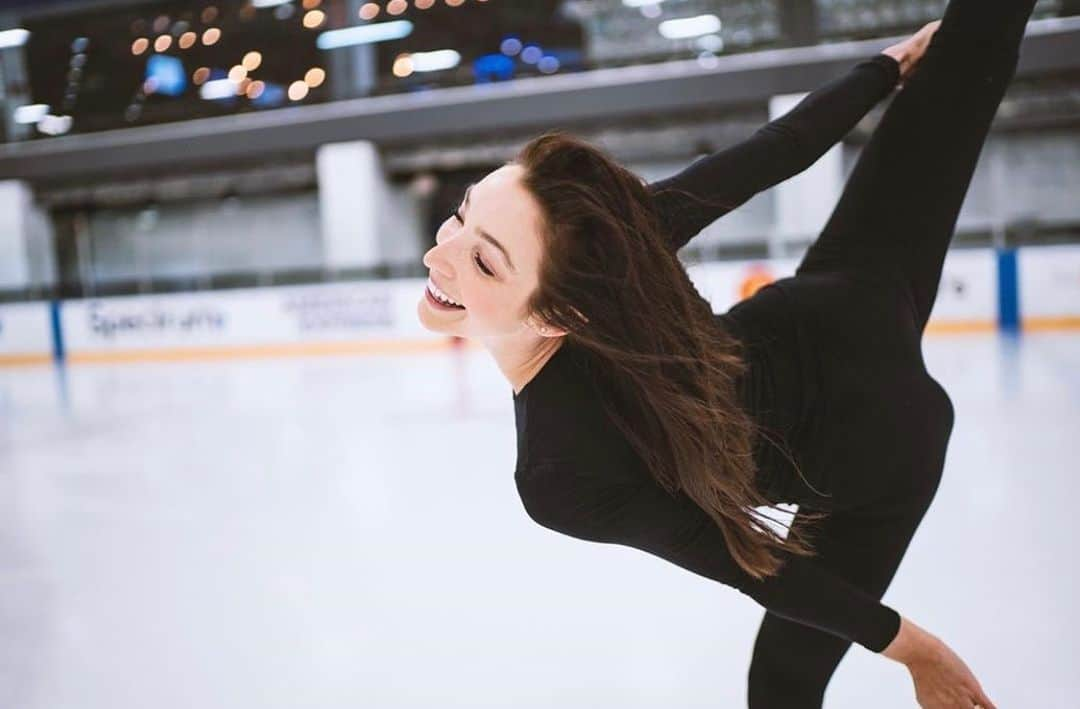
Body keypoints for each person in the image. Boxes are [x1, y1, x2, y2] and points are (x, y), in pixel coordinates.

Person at [418, 0, 1037, 706]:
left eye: (479, 247)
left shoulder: (559, 471)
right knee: (955, 83)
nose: (437, 253)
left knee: (779, 686)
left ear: (562, 313)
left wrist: (919, 653)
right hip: (848, 299)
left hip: (878, 431)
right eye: (460, 222)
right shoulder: (609, 261)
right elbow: (774, 150)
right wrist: (884, 69)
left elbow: (760, 569)